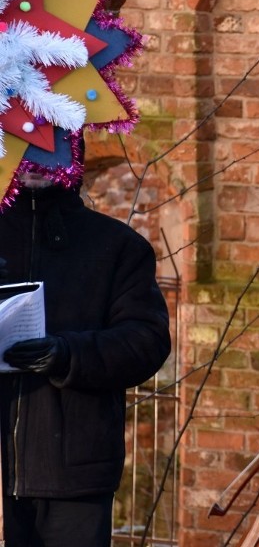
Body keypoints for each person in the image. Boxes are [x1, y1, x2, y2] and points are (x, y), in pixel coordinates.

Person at [0, 161, 172, 547]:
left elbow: (146, 341)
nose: (35, 163)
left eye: (51, 145)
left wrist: (69, 355)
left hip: (74, 470)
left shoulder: (116, 246)